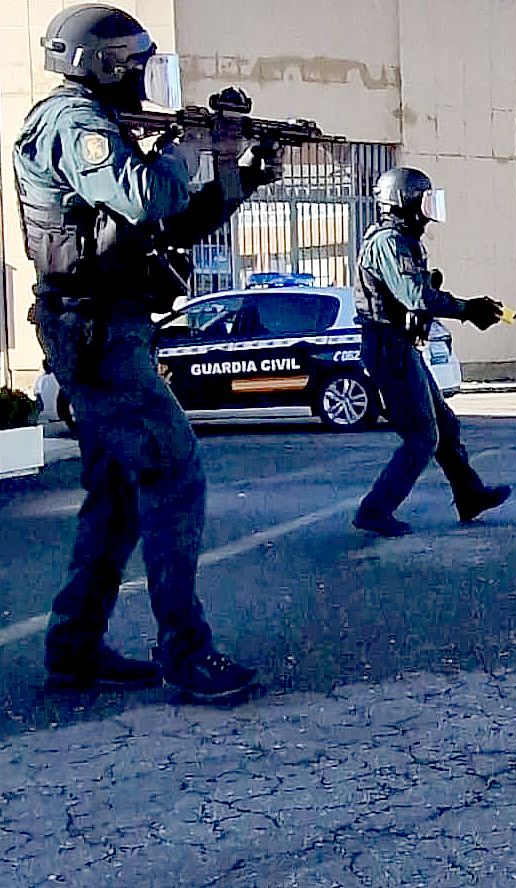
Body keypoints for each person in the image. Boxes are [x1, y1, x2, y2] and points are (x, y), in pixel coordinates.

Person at [15, 4, 274, 700]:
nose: (140, 75)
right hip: (98, 331)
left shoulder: (93, 125)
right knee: (174, 472)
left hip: (102, 327)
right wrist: (192, 144)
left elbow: (175, 222)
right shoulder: (75, 124)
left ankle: (73, 647)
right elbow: (146, 196)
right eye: (133, 61)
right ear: (103, 62)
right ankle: (186, 652)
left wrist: (235, 171)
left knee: (119, 496)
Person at [353, 167, 512, 537]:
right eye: (422, 200)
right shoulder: (389, 242)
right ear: (405, 201)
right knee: (422, 436)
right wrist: (468, 309)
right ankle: (374, 510)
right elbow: (416, 296)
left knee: (444, 425)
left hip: (399, 345)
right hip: (387, 346)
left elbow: (417, 294)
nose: (427, 210)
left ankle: (469, 494)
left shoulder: (401, 239)